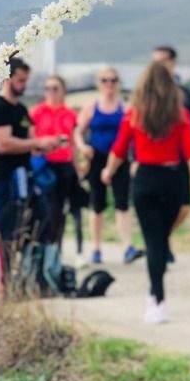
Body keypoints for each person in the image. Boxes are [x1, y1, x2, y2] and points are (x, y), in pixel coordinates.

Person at [101, 60, 190, 325]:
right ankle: (156, 294)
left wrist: (108, 171)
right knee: (160, 240)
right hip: (172, 180)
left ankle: (156, 300)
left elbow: (119, 148)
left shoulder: (134, 114)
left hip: (145, 181)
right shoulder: (181, 116)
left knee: (154, 241)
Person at [0, 58, 62, 263]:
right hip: (4, 177)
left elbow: (31, 140)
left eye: (26, 80)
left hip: (25, 176)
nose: (23, 85)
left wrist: (47, 144)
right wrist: (36, 143)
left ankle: (29, 269)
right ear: (7, 78)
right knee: (6, 228)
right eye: (20, 80)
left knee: (38, 221)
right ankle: (3, 272)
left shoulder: (21, 109)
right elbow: (3, 144)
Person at [77, 66, 140, 266]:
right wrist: (83, 147)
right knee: (97, 204)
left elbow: (135, 136)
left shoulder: (125, 107)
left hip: (120, 159)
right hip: (96, 158)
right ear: (99, 83)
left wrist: (135, 159)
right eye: (105, 80)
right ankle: (96, 248)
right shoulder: (91, 106)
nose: (109, 84)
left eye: (113, 80)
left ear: (118, 83)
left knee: (123, 203)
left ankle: (127, 247)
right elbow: (77, 132)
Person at [30, 75, 81, 248]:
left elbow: (73, 143)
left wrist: (77, 169)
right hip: (45, 165)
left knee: (61, 210)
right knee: (48, 207)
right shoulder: (37, 112)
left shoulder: (71, 114)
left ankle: (56, 248)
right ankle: (44, 245)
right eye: (47, 88)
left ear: (63, 91)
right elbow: (30, 139)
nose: (51, 92)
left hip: (65, 165)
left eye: (55, 88)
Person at [152, 45, 190, 152]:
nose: (157, 66)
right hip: (152, 154)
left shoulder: (186, 96)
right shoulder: (145, 95)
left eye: (162, 61)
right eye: (155, 63)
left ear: (173, 62)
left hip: (180, 154)